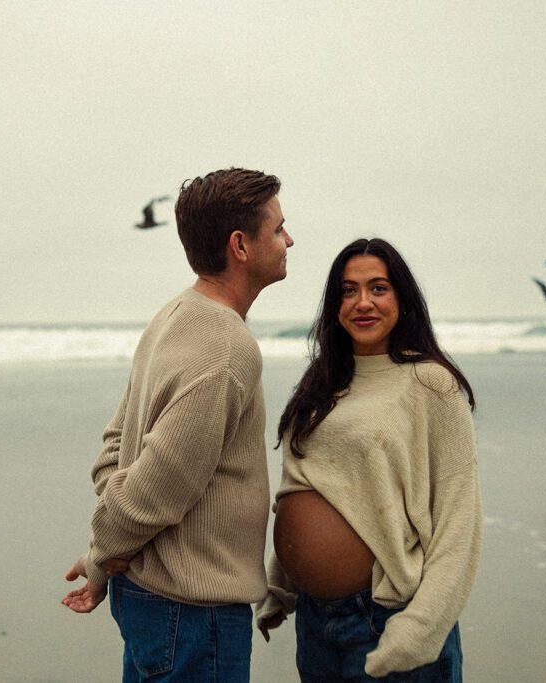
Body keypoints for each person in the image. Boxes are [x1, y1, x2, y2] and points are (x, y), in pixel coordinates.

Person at [62, 168, 294, 682]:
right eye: (278, 229)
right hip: (193, 615)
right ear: (240, 244)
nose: (289, 239)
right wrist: (105, 555)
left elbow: (112, 454)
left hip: (152, 603)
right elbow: (154, 487)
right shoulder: (227, 348)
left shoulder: (173, 314)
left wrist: (115, 552)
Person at [256, 237, 482, 681]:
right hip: (316, 624)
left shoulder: (430, 384)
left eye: (378, 288)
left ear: (402, 298)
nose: (362, 303)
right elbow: (305, 487)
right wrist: (281, 586)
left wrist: (420, 628)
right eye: (348, 290)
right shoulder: (320, 383)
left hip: (388, 617)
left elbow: (460, 521)